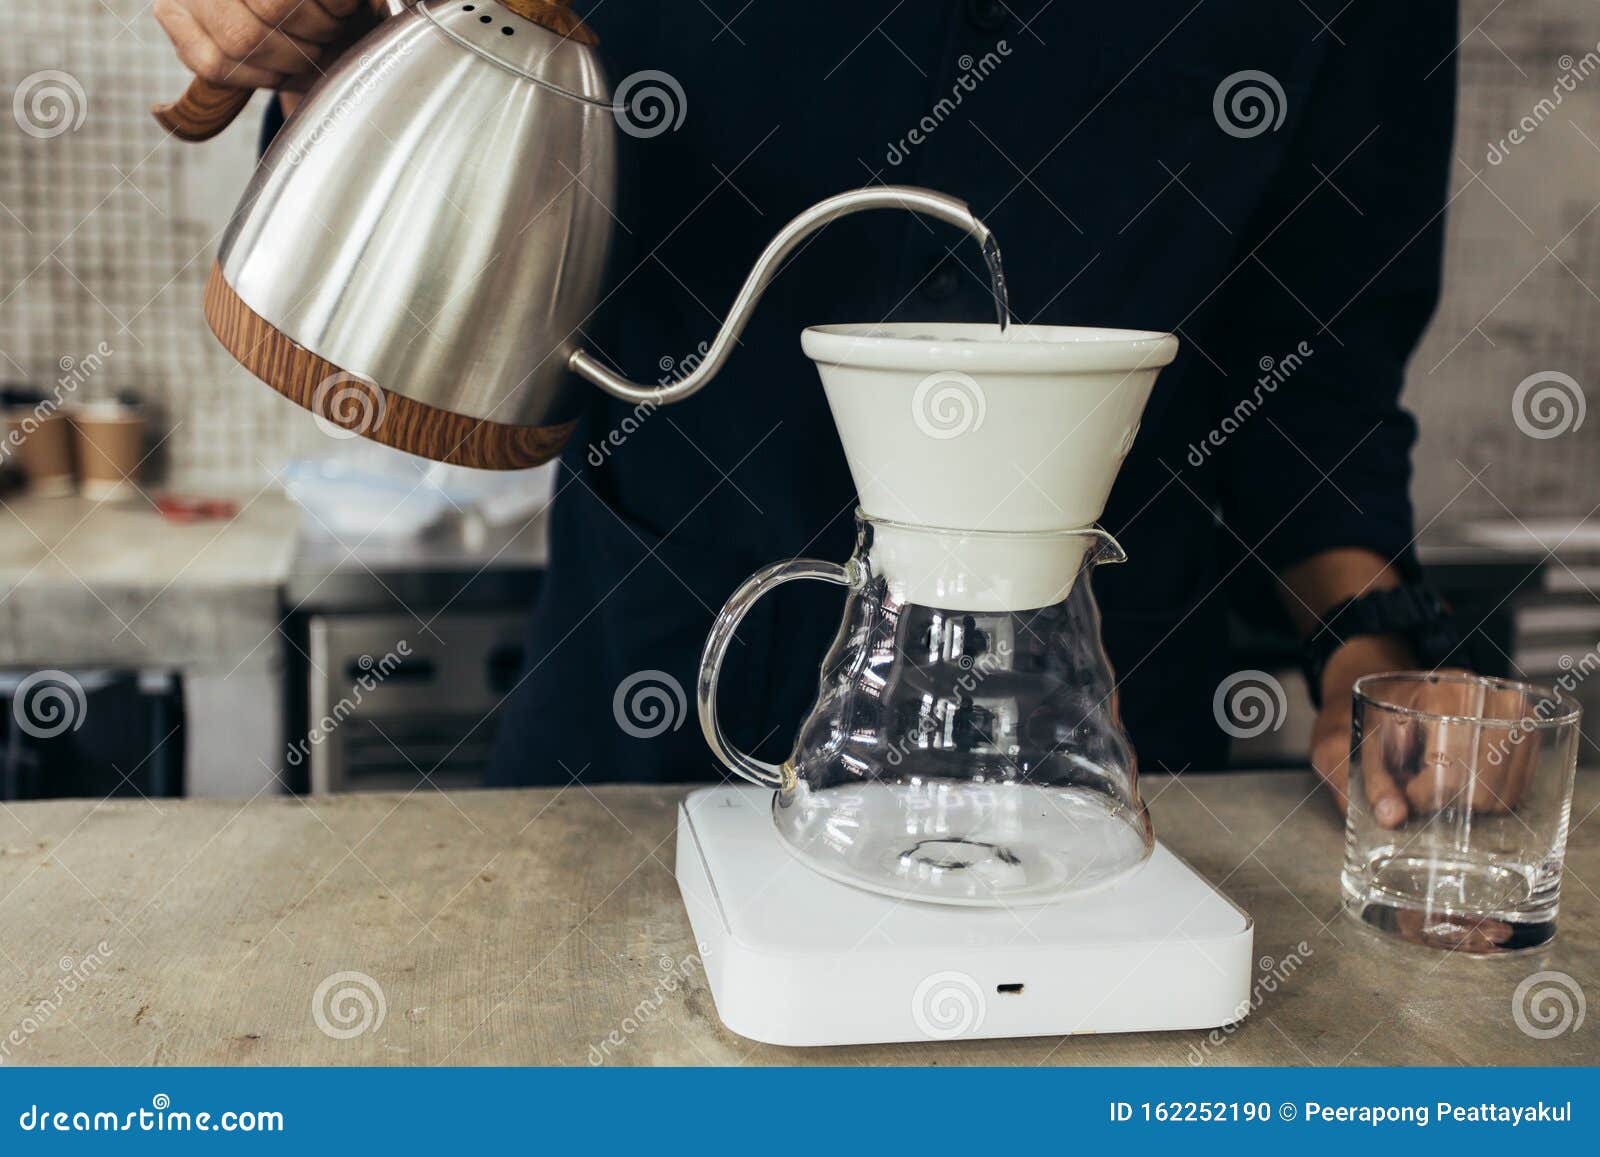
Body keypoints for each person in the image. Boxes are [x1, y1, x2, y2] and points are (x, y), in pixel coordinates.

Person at [157, 0, 1484, 823]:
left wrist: (1367, 646)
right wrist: (300, 52)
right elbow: (458, 103)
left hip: (1084, 732)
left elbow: (1310, 381)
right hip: (640, 712)